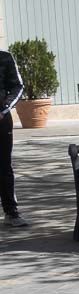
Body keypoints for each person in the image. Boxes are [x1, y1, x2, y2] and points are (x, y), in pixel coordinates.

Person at [0, 47, 26, 227]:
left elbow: (18, 86)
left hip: (1, 120)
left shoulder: (5, 58)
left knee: (3, 166)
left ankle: (11, 212)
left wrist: (4, 109)